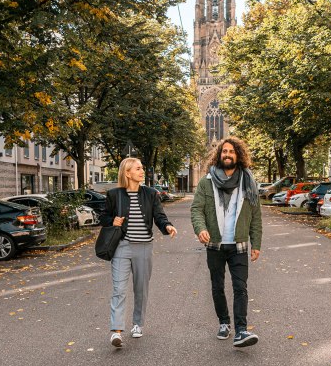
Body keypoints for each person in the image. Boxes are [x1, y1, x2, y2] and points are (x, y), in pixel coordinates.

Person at [190, 137, 262, 348]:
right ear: (219, 155)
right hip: (215, 245)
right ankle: (224, 322)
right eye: (224, 152)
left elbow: (256, 216)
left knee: (240, 287)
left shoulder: (248, 182)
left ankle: (241, 330)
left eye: (231, 152)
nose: (227, 155)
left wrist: (256, 243)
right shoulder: (207, 181)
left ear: (238, 155)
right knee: (217, 286)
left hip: (238, 245)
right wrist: (201, 228)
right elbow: (197, 209)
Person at [100, 157, 177, 348]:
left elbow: (159, 216)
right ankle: (116, 331)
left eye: (142, 168)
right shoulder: (114, 194)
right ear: (127, 173)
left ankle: (137, 324)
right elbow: (103, 217)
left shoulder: (151, 194)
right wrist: (112, 221)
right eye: (138, 169)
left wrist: (167, 226)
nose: (142, 171)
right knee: (119, 289)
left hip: (144, 247)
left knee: (141, 288)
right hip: (122, 247)